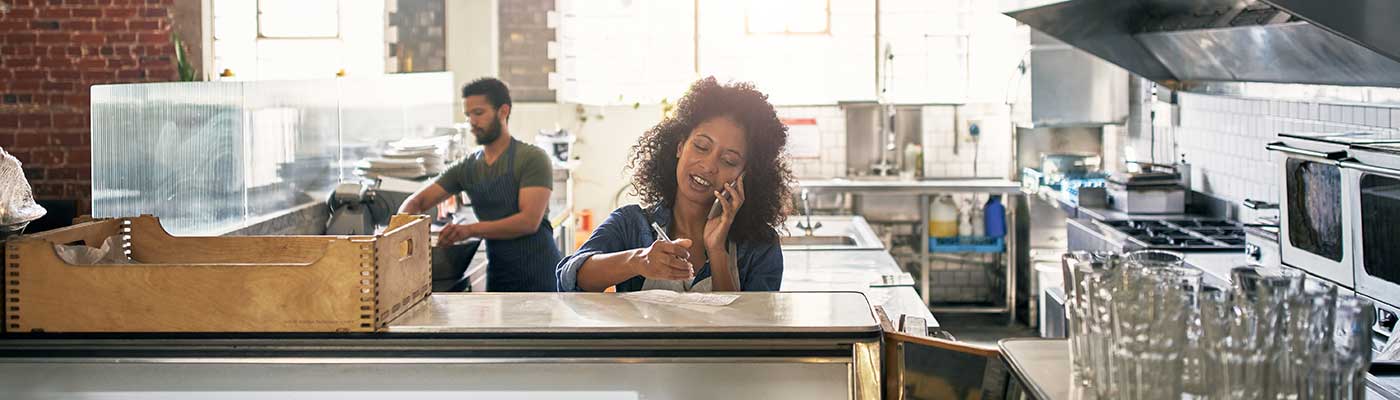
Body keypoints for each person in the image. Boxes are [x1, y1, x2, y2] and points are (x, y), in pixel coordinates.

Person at [556, 77, 794, 292]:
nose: (709, 165)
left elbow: (749, 333)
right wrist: (639, 261)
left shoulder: (760, 246)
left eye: (729, 160)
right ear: (680, 146)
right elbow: (570, 278)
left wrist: (717, 251)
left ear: (744, 174)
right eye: (701, 146)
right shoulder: (630, 224)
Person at [399, 77, 561, 292]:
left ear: (503, 111)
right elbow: (418, 201)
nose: (472, 122)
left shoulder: (532, 158)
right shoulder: (467, 167)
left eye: (479, 113)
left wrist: (469, 230)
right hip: (499, 275)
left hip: (539, 273)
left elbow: (528, 221)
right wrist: (400, 238)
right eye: (468, 115)